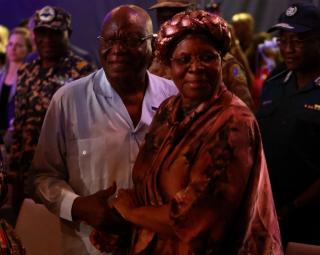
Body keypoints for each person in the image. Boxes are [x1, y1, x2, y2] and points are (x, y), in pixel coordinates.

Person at [110, 10, 283, 254]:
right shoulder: (169, 109)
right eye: (184, 59)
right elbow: (147, 183)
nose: (196, 67)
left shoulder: (235, 123)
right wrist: (121, 227)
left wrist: (130, 213)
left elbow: (195, 218)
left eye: (207, 57)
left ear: (222, 61)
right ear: (169, 66)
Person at [29, 5, 178, 254]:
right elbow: (42, 175)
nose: (117, 49)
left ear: (153, 46)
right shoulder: (68, 100)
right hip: (90, 247)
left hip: (162, 245)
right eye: (110, 40)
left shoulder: (175, 97)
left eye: (131, 40)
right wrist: (77, 206)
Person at [9, 6, 95, 208]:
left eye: (55, 33)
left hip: (64, 173)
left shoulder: (83, 71)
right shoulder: (26, 71)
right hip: (28, 169)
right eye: (41, 33)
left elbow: (90, 126)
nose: (47, 39)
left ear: (68, 34)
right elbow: (20, 125)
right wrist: (13, 174)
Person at [256, 2, 320, 247]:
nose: (288, 49)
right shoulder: (274, 84)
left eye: (298, 41)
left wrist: (292, 207)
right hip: (267, 212)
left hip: (310, 221)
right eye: (283, 40)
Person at [148, 0, 254, 110]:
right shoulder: (156, 61)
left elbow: (245, 109)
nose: (169, 24)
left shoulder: (221, 62)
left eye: (175, 15)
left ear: (193, 13)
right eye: (162, 16)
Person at [0, 27, 33, 145]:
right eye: (10, 44)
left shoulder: (30, 78)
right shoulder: (1, 74)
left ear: (29, 50)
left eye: (19, 45)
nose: (13, 48)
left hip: (18, 139)